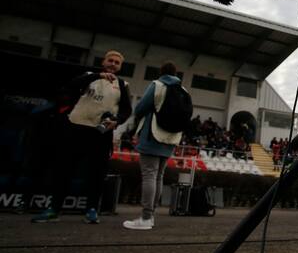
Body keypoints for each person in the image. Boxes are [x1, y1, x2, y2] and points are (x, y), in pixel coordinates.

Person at [32, 50, 131, 224]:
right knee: (65, 169)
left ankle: (92, 209)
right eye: (111, 60)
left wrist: (117, 121)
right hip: (76, 127)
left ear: (121, 66)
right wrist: (98, 76)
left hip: (100, 133)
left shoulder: (123, 84)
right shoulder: (88, 76)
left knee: (96, 173)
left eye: (117, 62)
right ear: (103, 62)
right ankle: (54, 209)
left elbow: (126, 110)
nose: (113, 64)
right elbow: (70, 87)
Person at [123, 61, 185, 230]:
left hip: (153, 134)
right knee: (159, 176)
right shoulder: (183, 90)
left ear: (161, 72)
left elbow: (140, 108)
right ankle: (151, 216)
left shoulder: (157, 85)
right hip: (171, 137)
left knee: (149, 175)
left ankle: (145, 217)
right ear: (176, 73)